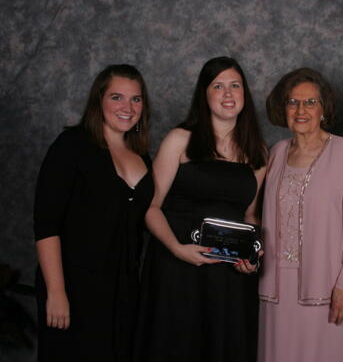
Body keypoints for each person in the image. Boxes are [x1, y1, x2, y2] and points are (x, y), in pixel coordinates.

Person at [134, 56, 267, 362]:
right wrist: (177, 248)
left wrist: (253, 254)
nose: (228, 93)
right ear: (204, 95)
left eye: (235, 85)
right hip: (177, 266)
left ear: (245, 93)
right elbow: (151, 206)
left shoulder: (257, 151)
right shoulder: (180, 140)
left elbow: (250, 216)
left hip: (228, 275)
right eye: (218, 86)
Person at [34, 64, 154, 361]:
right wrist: (57, 292)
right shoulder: (72, 146)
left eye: (136, 99)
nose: (127, 107)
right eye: (117, 97)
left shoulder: (142, 155)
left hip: (124, 291)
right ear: (98, 100)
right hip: (75, 287)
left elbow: (153, 218)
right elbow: (47, 225)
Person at [258, 67, 343, 362]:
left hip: (326, 285)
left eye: (310, 102)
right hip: (276, 285)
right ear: (283, 109)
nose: (300, 110)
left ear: (324, 108)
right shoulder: (276, 153)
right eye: (292, 102)